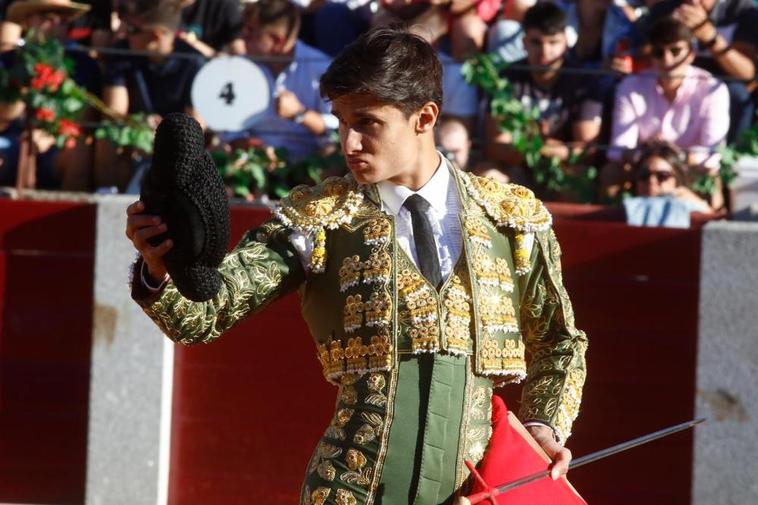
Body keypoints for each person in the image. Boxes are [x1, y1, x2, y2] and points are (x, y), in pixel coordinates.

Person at [126, 26, 587, 504]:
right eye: (341, 121)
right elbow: (205, 313)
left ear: (424, 117)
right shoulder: (318, 219)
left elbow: (559, 340)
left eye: (367, 122)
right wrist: (158, 268)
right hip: (351, 492)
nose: (349, 142)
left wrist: (543, 426)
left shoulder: (510, 219)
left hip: (474, 495)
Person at [603, 17, 729, 201]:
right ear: (651, 56)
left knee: (711, 179)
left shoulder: (712, 89)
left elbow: (712, 153)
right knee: (611, 173)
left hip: (690, 169)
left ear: (691, 53)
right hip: (646, 169)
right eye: (659, 52)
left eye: (675, 51)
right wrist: (655, 158)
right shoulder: (631, 86)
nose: (667, 59)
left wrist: (672, 158)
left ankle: (708, 227)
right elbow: (619, 149)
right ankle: (612, 228)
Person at [483, 1, 603, 185]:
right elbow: (495, 147)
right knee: (488, 175)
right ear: (524, 42)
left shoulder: (584, 82)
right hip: (517, 169)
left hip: (562, 169)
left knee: (579, 177)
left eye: (553, 42)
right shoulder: (506, 79)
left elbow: (586, 150)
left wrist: (542, 147)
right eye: (536, 42)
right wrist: (535, 148)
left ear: (565, 42)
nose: (545, 52)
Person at [95, 0, 206, 190]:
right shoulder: (121, 53)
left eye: (132, 29)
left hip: (177, 140)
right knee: (108, 135)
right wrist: (139, 125)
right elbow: (114, 112)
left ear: (156, 35)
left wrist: (165, 132)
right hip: (135, 134)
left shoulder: (194, 62)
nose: (125, 34)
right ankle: (108, 195)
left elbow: (197, 124)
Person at [224, 0, 336, 162]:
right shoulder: (239, 67)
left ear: (278, 41)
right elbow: (227, 126)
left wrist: (300, 114)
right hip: (252, 165)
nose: (243, 37)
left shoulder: (321, 68)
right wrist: (246, 144)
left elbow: (337, 132)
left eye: (250, 32)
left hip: (309, 169)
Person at [641, 0, 758, 142]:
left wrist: (709, 36)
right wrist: (668, 32)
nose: (694, 1)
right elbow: (645, 54)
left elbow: (747, 73)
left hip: (721, 86)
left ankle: (731, 158)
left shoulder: (742, 10)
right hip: (673, 83)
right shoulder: (665, 8)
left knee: (737, 93)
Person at [624, 141, 712, 227]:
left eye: (662, 176)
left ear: (677, 180)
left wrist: (696, 201)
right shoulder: (622, 213)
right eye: (644, 175)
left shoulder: (691, 204)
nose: (651, 181)